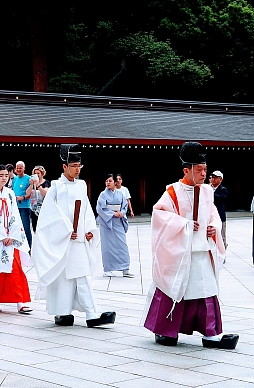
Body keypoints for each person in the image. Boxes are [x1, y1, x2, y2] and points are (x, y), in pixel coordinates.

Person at [142, 141, 237, 349]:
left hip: (202, 249)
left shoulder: (207, 192)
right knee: (176, 287)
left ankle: (210, 333)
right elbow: (159, 216)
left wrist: (213, 226)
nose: (204, 174)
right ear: (187, 170)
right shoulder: (172, 192)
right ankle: (166, 331)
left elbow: (212, 214)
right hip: (181, 252)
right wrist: (183, 225)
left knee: (206, 289)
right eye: (200, 170)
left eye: (205, 169)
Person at [33, 145, 116, 327]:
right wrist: (64, 231)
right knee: (65, 278)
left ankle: (91, 314)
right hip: (63, 241)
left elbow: (86, 208)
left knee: (82, 275)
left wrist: (88, 229)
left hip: (79, 240)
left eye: (79, 165)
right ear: (65, 167)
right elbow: (49, 215)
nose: (78, 169)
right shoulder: (56, 187)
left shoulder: (81, 185)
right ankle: (63, 313)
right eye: (74, 166)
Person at [0, 164, 32, 314]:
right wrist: (1, 236)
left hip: (10, 237)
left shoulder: (10, 194)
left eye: (5, 175)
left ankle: (20, 302)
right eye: (0, 175)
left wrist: (11, 234)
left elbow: (15, 215)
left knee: (16, 270)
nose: (3, 178)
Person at [96, 174, 133, 278]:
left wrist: (122, 212)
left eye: (110, 181)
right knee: (107, 246)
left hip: (118, 222)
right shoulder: (103, 195)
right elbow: (100, 208)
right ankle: (107, 269)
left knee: (122, 245)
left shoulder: (120, 194)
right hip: (107, 222)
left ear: (115, 183)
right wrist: (112, 214)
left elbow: (124, 206)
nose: (108, 183)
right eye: (106, 181)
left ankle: (125, 268)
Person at [11, 161, 34, 249]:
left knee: (26, 229)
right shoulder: (15, 179)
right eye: (17, 168)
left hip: (24, 206)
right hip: (15, 207)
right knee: (16, 228)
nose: (19, 170)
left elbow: (31, 193)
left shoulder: (28, 178)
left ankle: (28, 248)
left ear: (24, 168)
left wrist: (23, 198)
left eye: (20, 168)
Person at [210, 171, 228, 248]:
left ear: (220, 179)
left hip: (220, 215)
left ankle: (223, 250)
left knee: (221, 235)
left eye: (215, 177)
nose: (212, 179)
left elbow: (221, 199)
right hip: (210, 216)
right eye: (211, 177)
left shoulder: (223, 189)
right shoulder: (207, 188)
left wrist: (210, 192)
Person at [30, 165, 50, 232]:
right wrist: (31, 185)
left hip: (44, 207)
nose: (37, 175)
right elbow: (27, 193)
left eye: (38, 173)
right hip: (34, 207)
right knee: (34, 227)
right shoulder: (32, 183)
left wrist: (38, 185)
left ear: (42, 173)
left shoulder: (46, 183)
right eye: (35, 174)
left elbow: (45, 193)